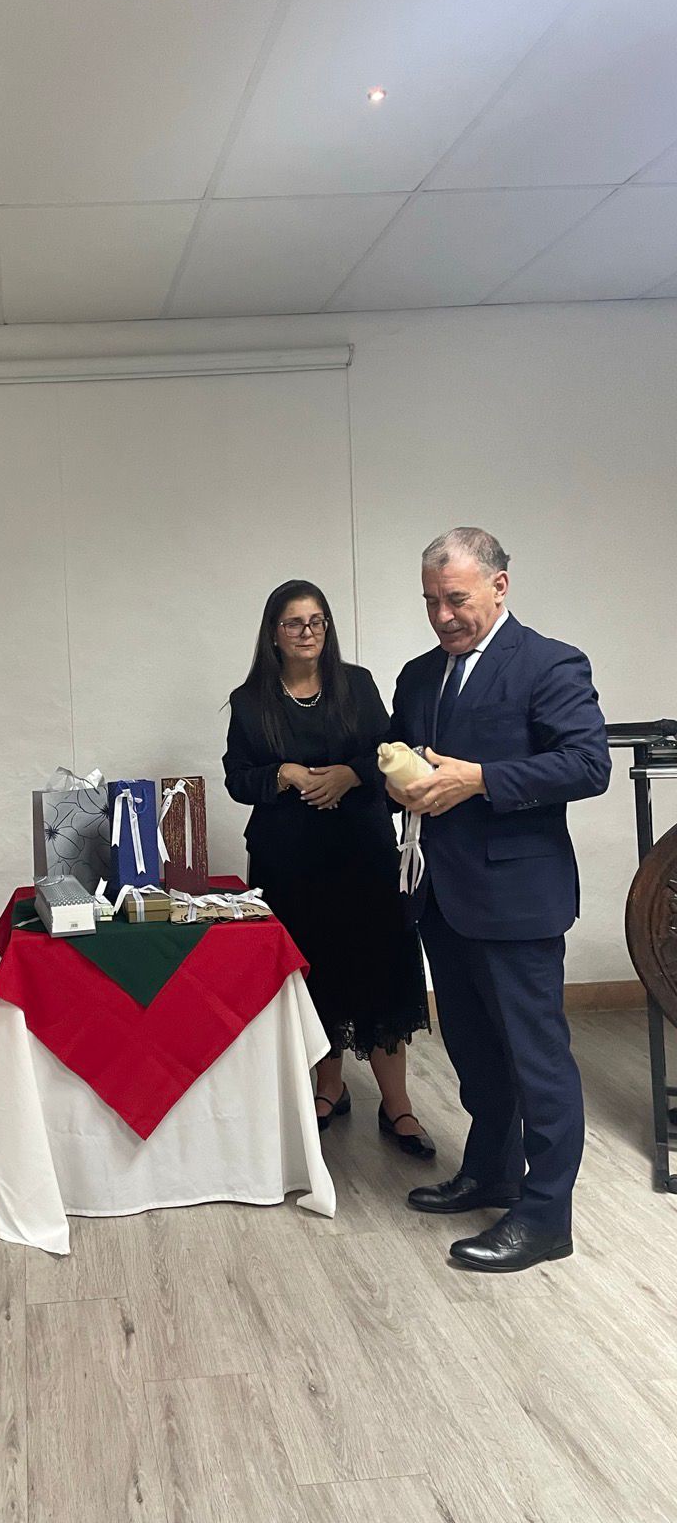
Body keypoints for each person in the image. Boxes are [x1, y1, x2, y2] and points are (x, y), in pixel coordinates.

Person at [387, 527, 610, 1273]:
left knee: (536, 1061)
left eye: (455, 599)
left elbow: (587, 764)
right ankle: (491, 1172)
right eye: (430, 601)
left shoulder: (549, 663)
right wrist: (395, 780)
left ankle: (545, 1217)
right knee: (475, 1051)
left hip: (518, 898)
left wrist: (481, 779)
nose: (442, 616)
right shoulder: (419, 676)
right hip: (440, 895)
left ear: (499, 586)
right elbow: (400, 757)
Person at [224, 580, 433, 1154]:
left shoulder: (356, 684)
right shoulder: (250, 700)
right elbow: (238, 778)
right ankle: (329, 1087)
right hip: (289, 860)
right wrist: (283, 773)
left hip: (362, 852)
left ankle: (398, 1106)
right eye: (294, 623)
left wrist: (350, 775)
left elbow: (391, 752)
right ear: (274, 634)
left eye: (317, 621)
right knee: (313, 974)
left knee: (381, 969)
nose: (308, 632)